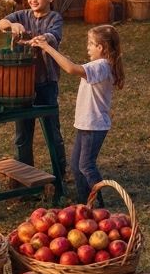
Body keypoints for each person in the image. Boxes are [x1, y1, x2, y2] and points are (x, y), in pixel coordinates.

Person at [30, 24, 124, 204]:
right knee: (76, 165)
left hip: (94, 125)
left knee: (86, 165)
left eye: (90, 44)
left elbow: (71, 69)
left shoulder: (102, 66)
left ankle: (98, 204)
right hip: (87, 124)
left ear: (101, 47)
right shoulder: (99, 65)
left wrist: (47, 48)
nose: (87, 47)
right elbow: (72, 65)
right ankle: (84, 203)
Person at [0, 0, 64, 169]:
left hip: (46, 82)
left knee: (52, 130)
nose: (33, 0)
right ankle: (24, 170)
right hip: (22, 84)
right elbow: (0, 24)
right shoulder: (22, 15)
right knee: (22, 132)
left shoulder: (55, 18)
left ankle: (59, 169)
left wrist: (40, 40)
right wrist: (11, 24)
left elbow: (52, 36)